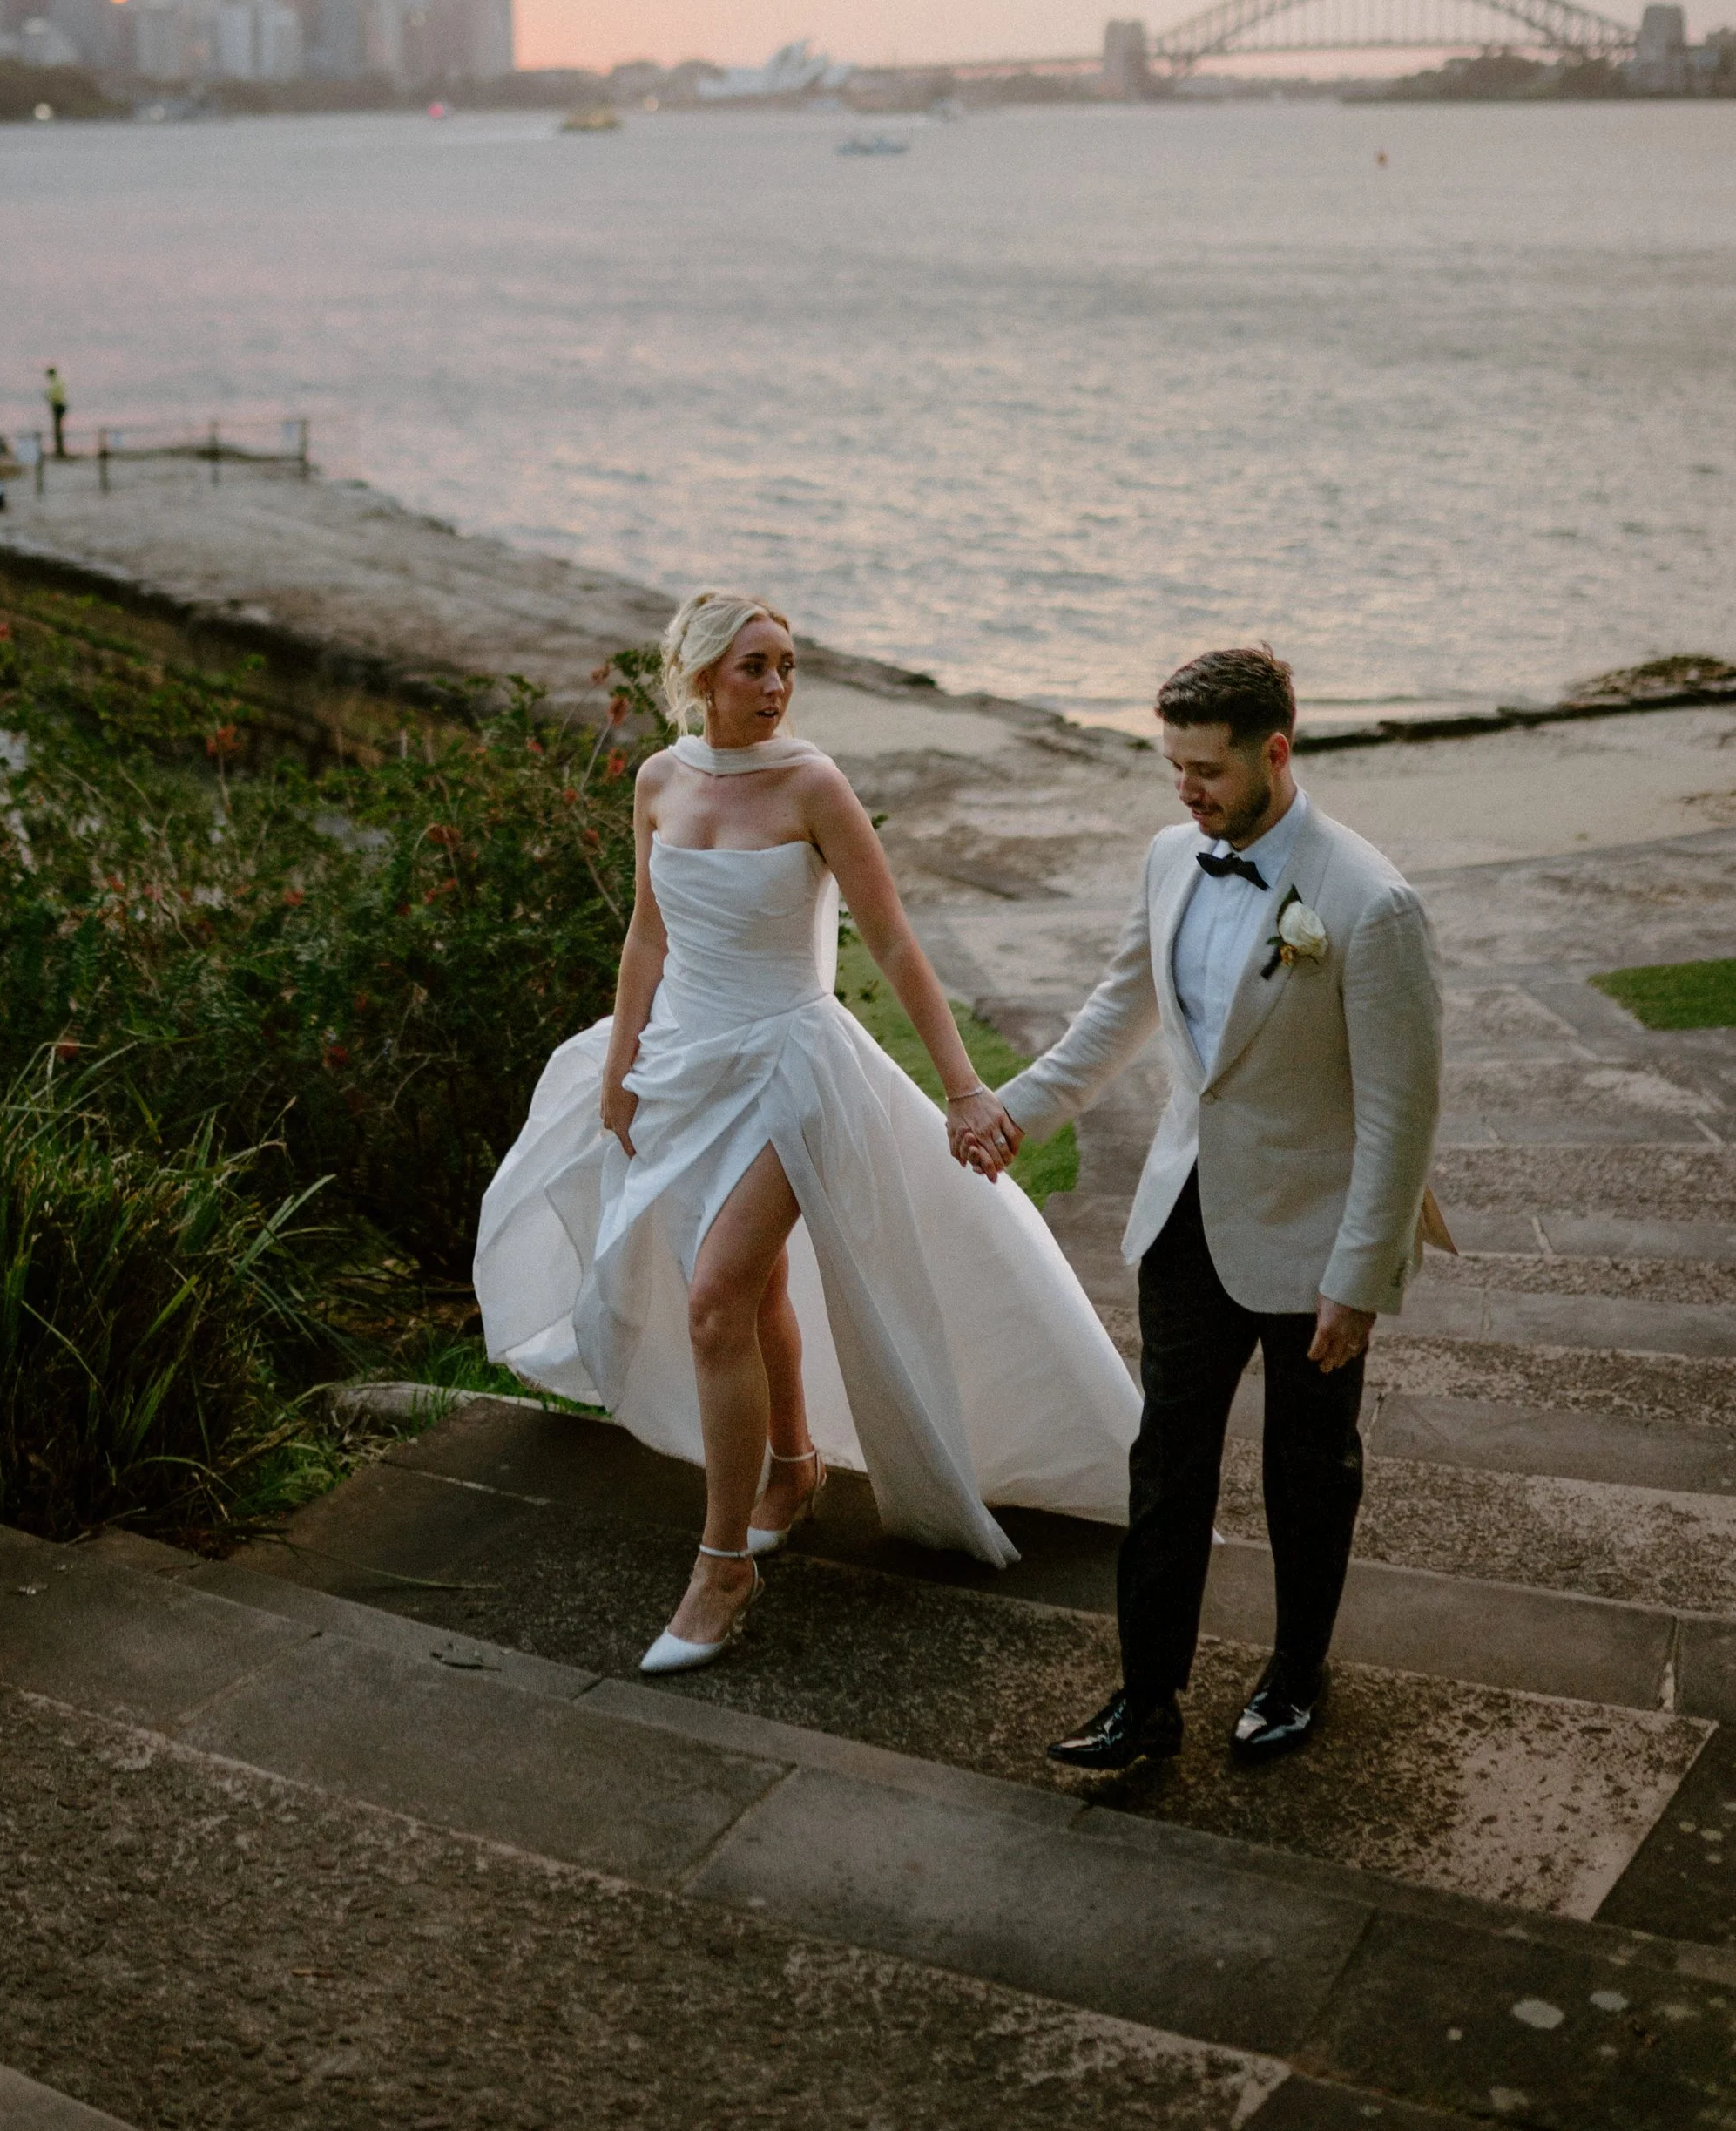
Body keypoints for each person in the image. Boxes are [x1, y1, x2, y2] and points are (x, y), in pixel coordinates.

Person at [474, 591, 1140, 1676]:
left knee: (713, 1301)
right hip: (683, 1065)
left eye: (787, 664)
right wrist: (619, 1066)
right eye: (754, 667)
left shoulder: (814, 785)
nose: (777, 686)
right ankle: (791, 1466)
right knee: (759, 1294)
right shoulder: (657, 781)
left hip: (790, 1065)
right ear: (696, 677)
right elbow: (647, 933)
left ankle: (721, 1563)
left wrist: (967, 1091)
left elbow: (895, 946)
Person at [996, 645, 1442, 1773]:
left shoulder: (1369, 901)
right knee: (1166, 1465)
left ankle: (1296, 1672)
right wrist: (1014, 1112)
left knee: (1308, 1470)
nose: (1185, 790)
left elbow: (1400, 1115)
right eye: (1174, 766)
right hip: (1185, 1219)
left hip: (1313, 1238)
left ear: (1274, 752)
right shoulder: (1169, 858)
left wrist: (1360, 1278)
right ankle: (1146, 1697)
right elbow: (1118, 1008)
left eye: (1205, 768)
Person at [44, 365, 68, 460]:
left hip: (57, 406)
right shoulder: (60, 382)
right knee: (59, 428)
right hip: (62, 405)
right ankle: (60, 449)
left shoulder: (53, 384)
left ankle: (59, 450)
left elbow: (52, 397)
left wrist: (48, 397)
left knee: (57, 429)